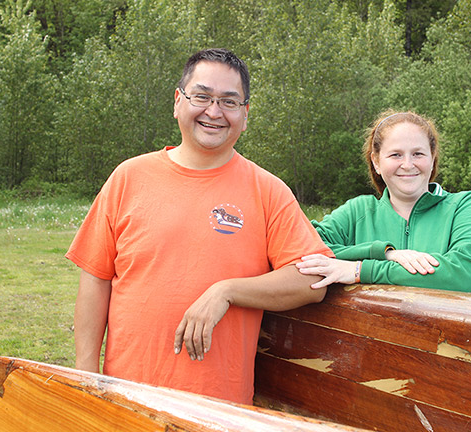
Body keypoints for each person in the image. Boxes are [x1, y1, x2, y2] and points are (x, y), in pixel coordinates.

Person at [66, 48, 332, 405]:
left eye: (229, 102)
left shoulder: (267, 190)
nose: (214, 112)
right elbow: (96, 278)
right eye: (202, 96)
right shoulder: (129, 177)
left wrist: (226, 291)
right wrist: (85, 372)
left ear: (245, 114)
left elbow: (312, 280)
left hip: (218, 405)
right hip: (126, 395)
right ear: (178, 101)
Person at [296, 110, 471, 292]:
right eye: (395, 155)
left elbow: (465, 273)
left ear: (432, 158)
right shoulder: (357, 211)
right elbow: (301, 249)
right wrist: (383, 253)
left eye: (418, 154)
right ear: (376, 162)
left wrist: (361, 270)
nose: (408, 165)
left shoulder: (463, 206)